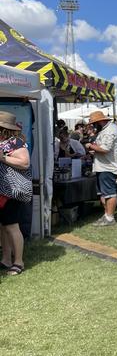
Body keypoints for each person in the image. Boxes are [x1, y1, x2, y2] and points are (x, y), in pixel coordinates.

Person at [0, 111, 31, 276]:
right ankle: (6, 259)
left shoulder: (15, 142)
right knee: (4, 227)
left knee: (11, 226)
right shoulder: (5, 142)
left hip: (11, 191)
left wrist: (3, 158)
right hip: (3, 191)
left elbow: (25, 163)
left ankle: (18, 262)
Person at [84, 110, 117, 227]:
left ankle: (110, 217)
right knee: (104, 193)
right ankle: (107, 215)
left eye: (94, 123)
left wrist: (90, 145)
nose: (93, 126)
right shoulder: (108, 130)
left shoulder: (109, 131)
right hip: (105, 165)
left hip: (108, 166)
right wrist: (95, 150)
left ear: (99, 121)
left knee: (109, 193)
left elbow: (105, 149)